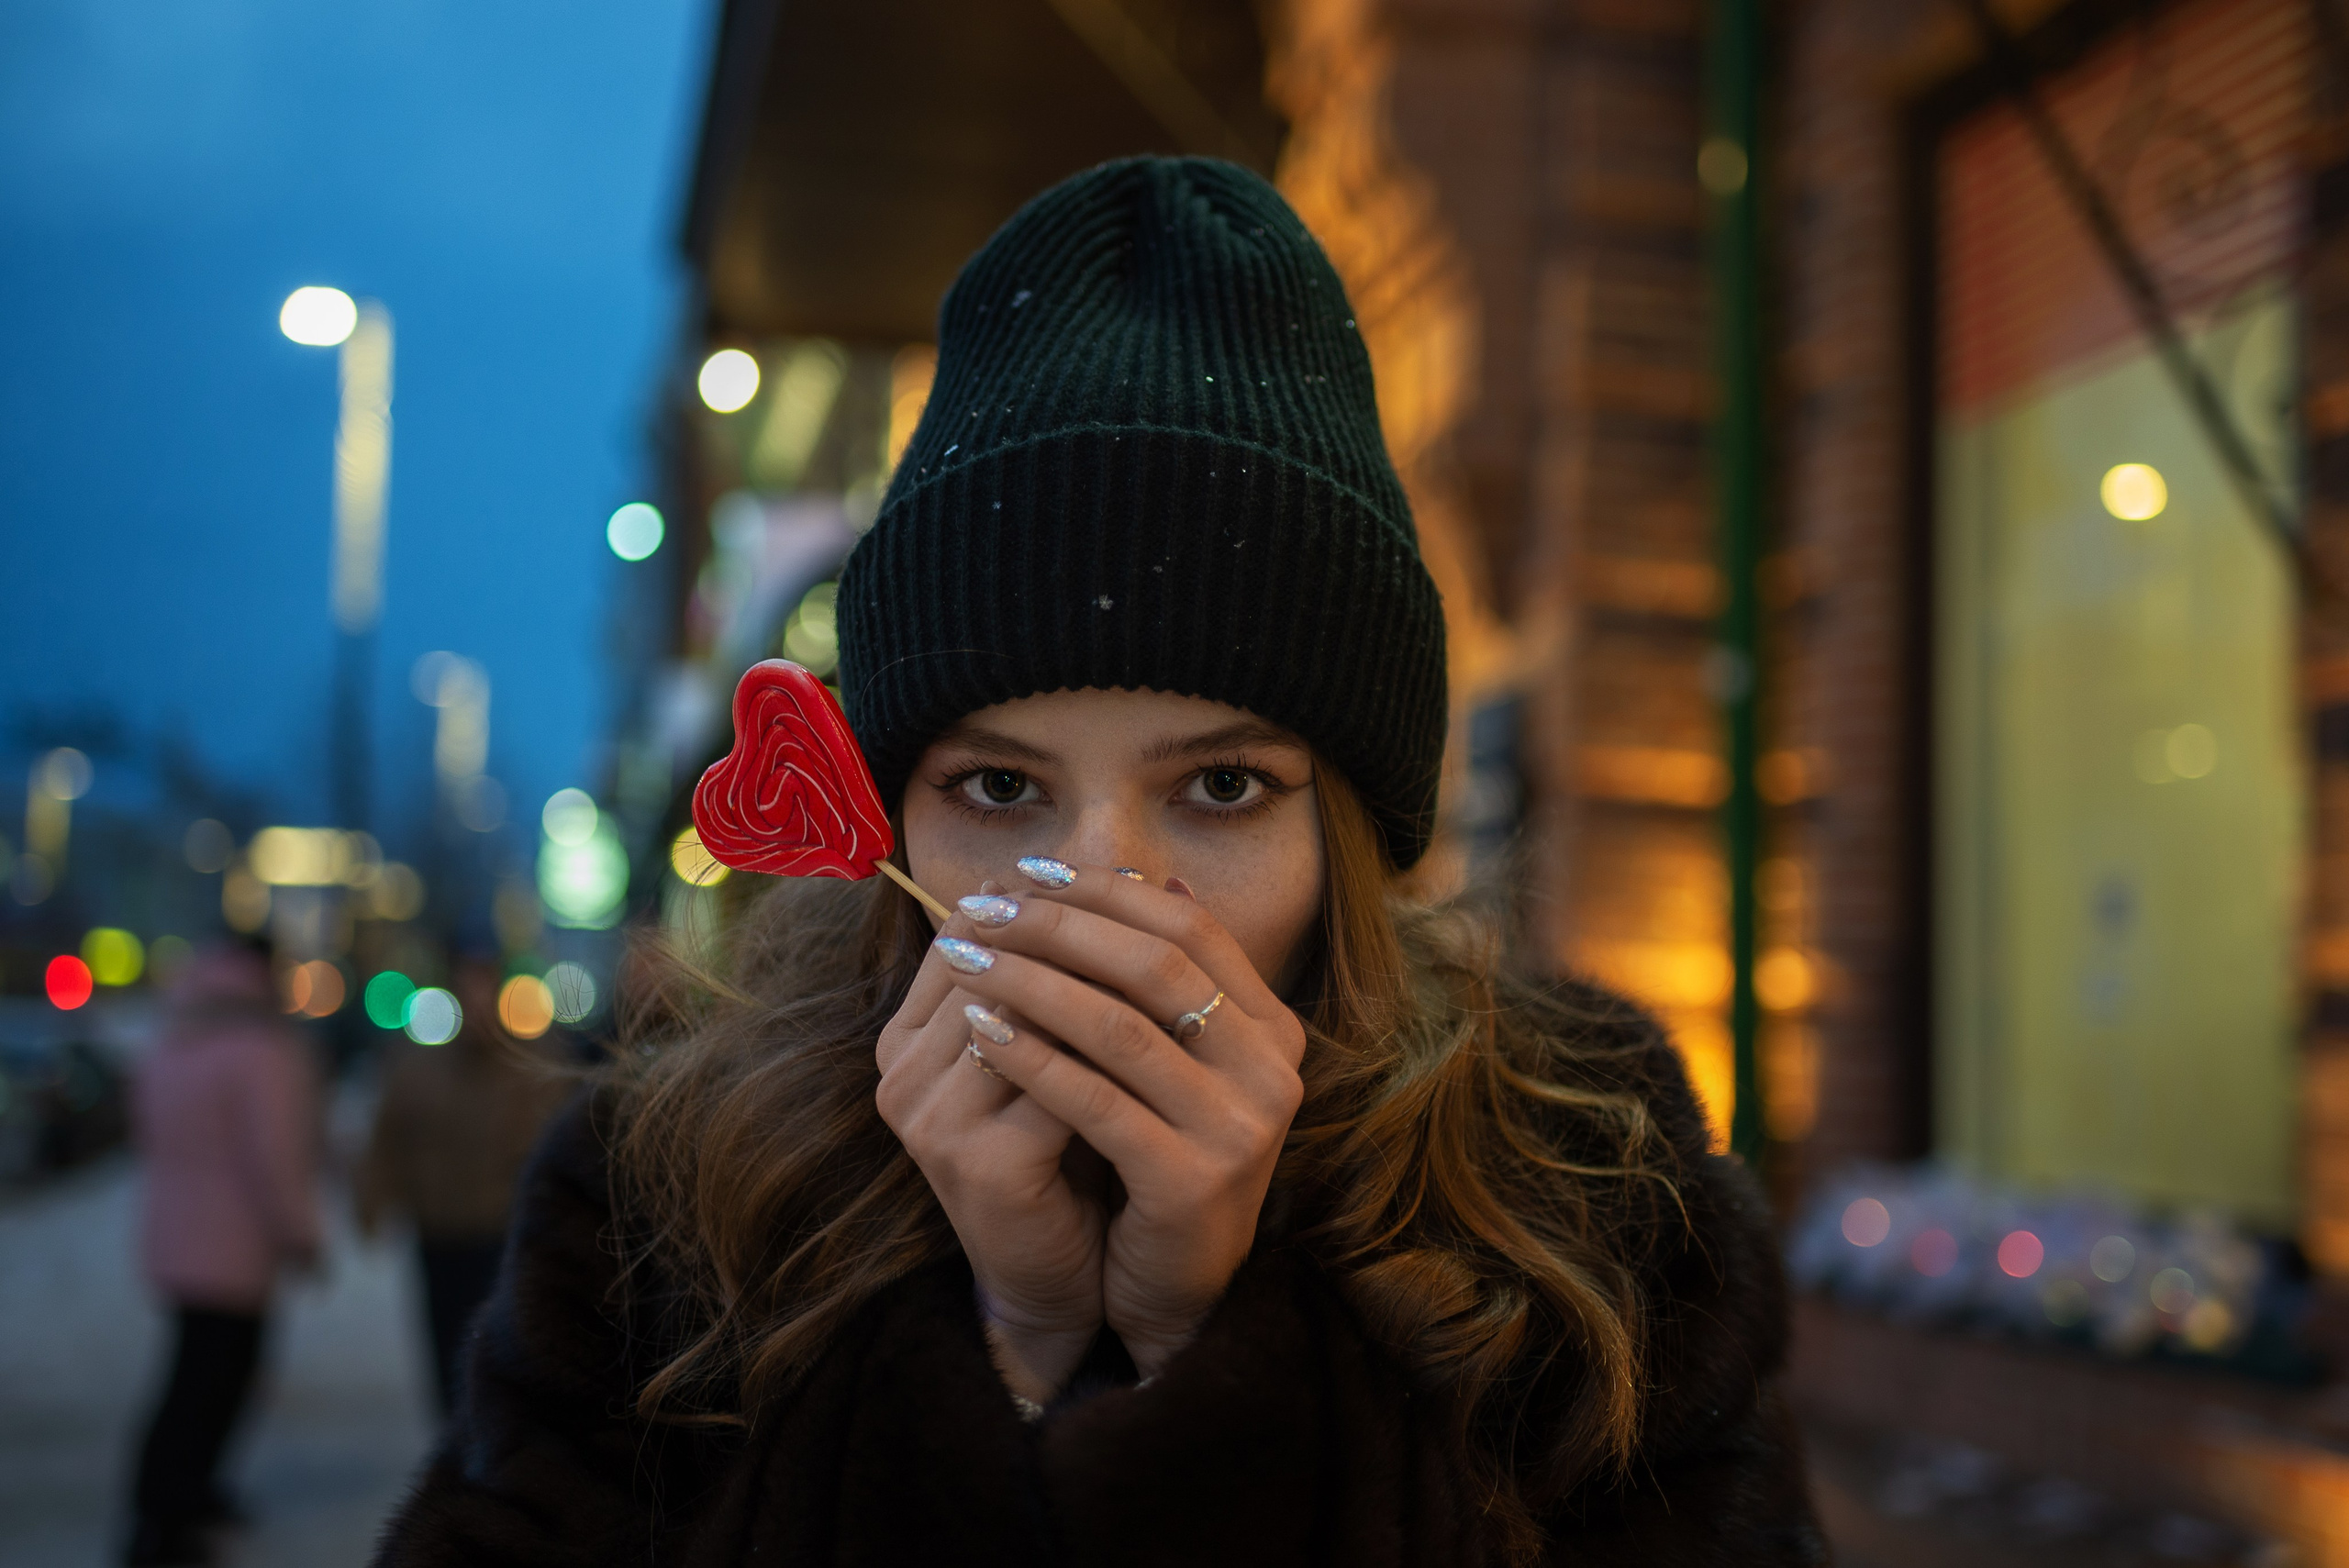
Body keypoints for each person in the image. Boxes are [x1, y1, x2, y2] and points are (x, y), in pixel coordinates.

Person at [376, 158, 1823, 1565]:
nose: (1102, 888)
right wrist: (1014, 1351)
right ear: (892, 816)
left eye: (1223, 786)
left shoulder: (1593, 1200)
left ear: (1347, 838)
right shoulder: (664, 1207)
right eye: (1001, 786)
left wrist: (1206, 1359)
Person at [126, 941, 321, 1568]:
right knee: (214, 1385)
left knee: (189, 1378)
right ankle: (168, 1518)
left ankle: (178, 1501)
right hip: (235, 1248)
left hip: (176, 1240)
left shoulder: (176, 1036)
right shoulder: (262, 1050)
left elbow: (148, 1131)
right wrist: (301, 1234)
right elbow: (275, 1157)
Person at [356, 960, 574, 1414]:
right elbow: (390, 1134)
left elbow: (557, 1144)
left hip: (500, 1232)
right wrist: (372, 1202)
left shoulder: (532, 1064)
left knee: (496, 1349)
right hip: (438, 1230)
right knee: (444, 1344)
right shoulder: (420, 1065)